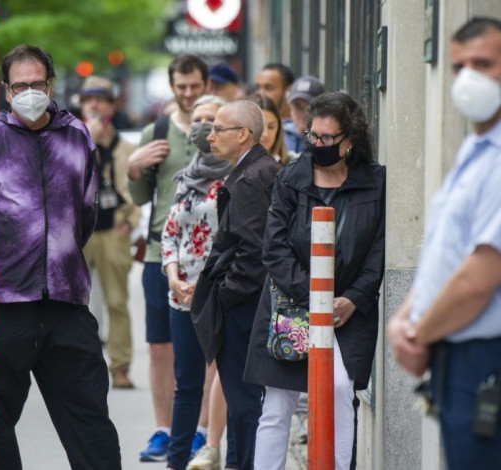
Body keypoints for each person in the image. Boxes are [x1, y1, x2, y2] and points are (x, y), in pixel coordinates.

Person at [0, 44, 121, 469]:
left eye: (36, 83)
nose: (29, 92)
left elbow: (86, 213)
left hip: (66, 304)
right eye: (19, 85)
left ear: (51, 84)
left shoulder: (77, 136)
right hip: (6, 307)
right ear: (6, 90)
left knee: (90, 420)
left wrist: (55, 257)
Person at [386, 17, 501, 470]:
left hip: (487, 358)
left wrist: (417, 334)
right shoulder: (475, 148)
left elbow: (480, 275)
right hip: (452, 351)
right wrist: (404, 317)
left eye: (484, 63)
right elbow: (443, 251)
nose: (469, 78)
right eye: (460, 66)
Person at [243, 92, 386, 470]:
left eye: (327, 139)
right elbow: (274, 249)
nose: (318, 145)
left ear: (350, 140)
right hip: (293, 304)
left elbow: (380, 250)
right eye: (313, 137)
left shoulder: (376, 182)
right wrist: (315, 297)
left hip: (348, 311)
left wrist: (352, 299)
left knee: (340, 390)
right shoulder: (290, 179)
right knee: (277, 405)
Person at [191, 100, 282, 470]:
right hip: (251, 301)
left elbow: (252, 251)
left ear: (243, 134)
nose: (209, 136)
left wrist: (226, 295)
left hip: (245, 305)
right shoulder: (261, 170)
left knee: (243, 401)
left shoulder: (251, 177)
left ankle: (242, 464)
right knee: (249, 399)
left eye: (218, 129)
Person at [127, 53, 209, 462]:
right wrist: (133, 168)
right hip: (160, 251)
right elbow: (140, 198)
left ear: (205, 84)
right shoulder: (155, 132)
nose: (188, 93)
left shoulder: (217, 128)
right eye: (181, 85)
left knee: (207, 347)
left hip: (207, 257)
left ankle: (201, 430)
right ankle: (163, 429)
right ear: (172, 85)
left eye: (195, 85)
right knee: (160, 347)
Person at [160, 95, 232, 470]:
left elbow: (236, 241)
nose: (205, 127)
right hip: (182, 295)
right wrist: (172, 277)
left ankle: (227, 456)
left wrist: (204, 282)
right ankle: (176, 462)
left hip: (221, 294)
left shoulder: (237, 175)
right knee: (186, 385)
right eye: (199, 119)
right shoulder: (187, 176)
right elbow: (170, 234)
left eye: (213, 119)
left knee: (231, 382)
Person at [79, 75, 141, 389]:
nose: (94, 104)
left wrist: (129, 221)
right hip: (80, 234)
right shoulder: (72, 143)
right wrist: (86, 142)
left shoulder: (127, 148)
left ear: (112, 105)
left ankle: (120, 367)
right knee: (74, 304)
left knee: (117, 302)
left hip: (112, 232)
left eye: (101, 99)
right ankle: (76, 368)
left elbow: (139, 190)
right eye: (88, 98)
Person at [282, 76, 325, 155]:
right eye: (297, 107)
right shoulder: (278, 133)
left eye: (310, 108)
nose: (303, 114)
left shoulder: (328, 138)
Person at [249, 94, 288, 164]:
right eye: (259, 127)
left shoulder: (293, 165)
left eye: (271, 127)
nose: (265, 134)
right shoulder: (227, 166)